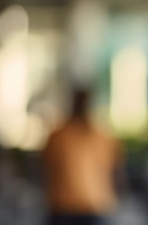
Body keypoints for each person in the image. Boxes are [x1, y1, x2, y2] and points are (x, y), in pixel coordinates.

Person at [41, 87, 125, 225]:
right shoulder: (102, 135)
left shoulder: (59, 134)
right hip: (74, 205)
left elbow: (43, 169)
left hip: (85, 205)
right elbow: (117, 172)